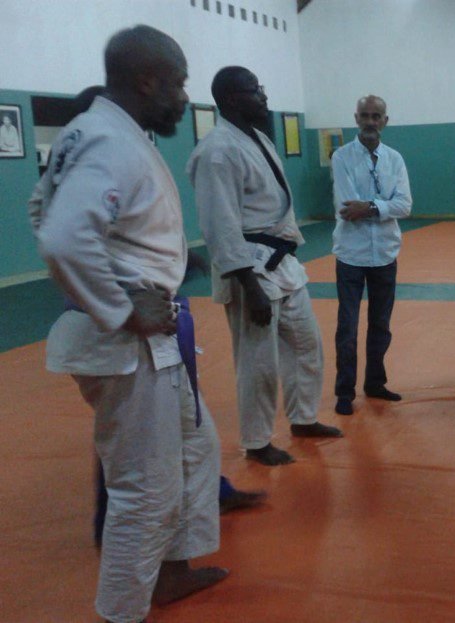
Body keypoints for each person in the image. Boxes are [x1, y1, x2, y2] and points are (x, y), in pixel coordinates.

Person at [35, 26, 227, 623]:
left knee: (196, 446)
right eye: (178, 84)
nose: (184, 97)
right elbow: (62, 236)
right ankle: (121, 611)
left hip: (145, 333)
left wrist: (141, 264)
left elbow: (41, 209)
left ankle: (172, 572)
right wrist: (121, 306)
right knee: (144, 486)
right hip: (124, 341)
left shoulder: (94, 132)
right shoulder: (109, 141)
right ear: (147, 80)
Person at [187, 66, 342, 467]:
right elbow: (219, 225)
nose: (264, 97)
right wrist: (248, 285)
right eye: (255, 90)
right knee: (258, 362)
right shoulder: (217, 151)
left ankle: (303, 418)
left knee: (306, 344)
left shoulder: (255, 138)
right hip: (250, 270)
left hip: (281, 263)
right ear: (232, 99)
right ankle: (256, 441)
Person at [330, 95, 412, 416]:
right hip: (351, 255)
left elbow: (405, 205)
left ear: (385, 121)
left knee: (381, 324)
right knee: (347, 327)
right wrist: (382, 207)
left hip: (386, 255)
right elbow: (348, 206)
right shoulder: (341, 157)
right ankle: (344, 391)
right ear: (356, 118)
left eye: (376, 116)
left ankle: (375, 382)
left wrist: (371, 207)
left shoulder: (395, 159)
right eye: (365, 115)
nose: (370, 121)